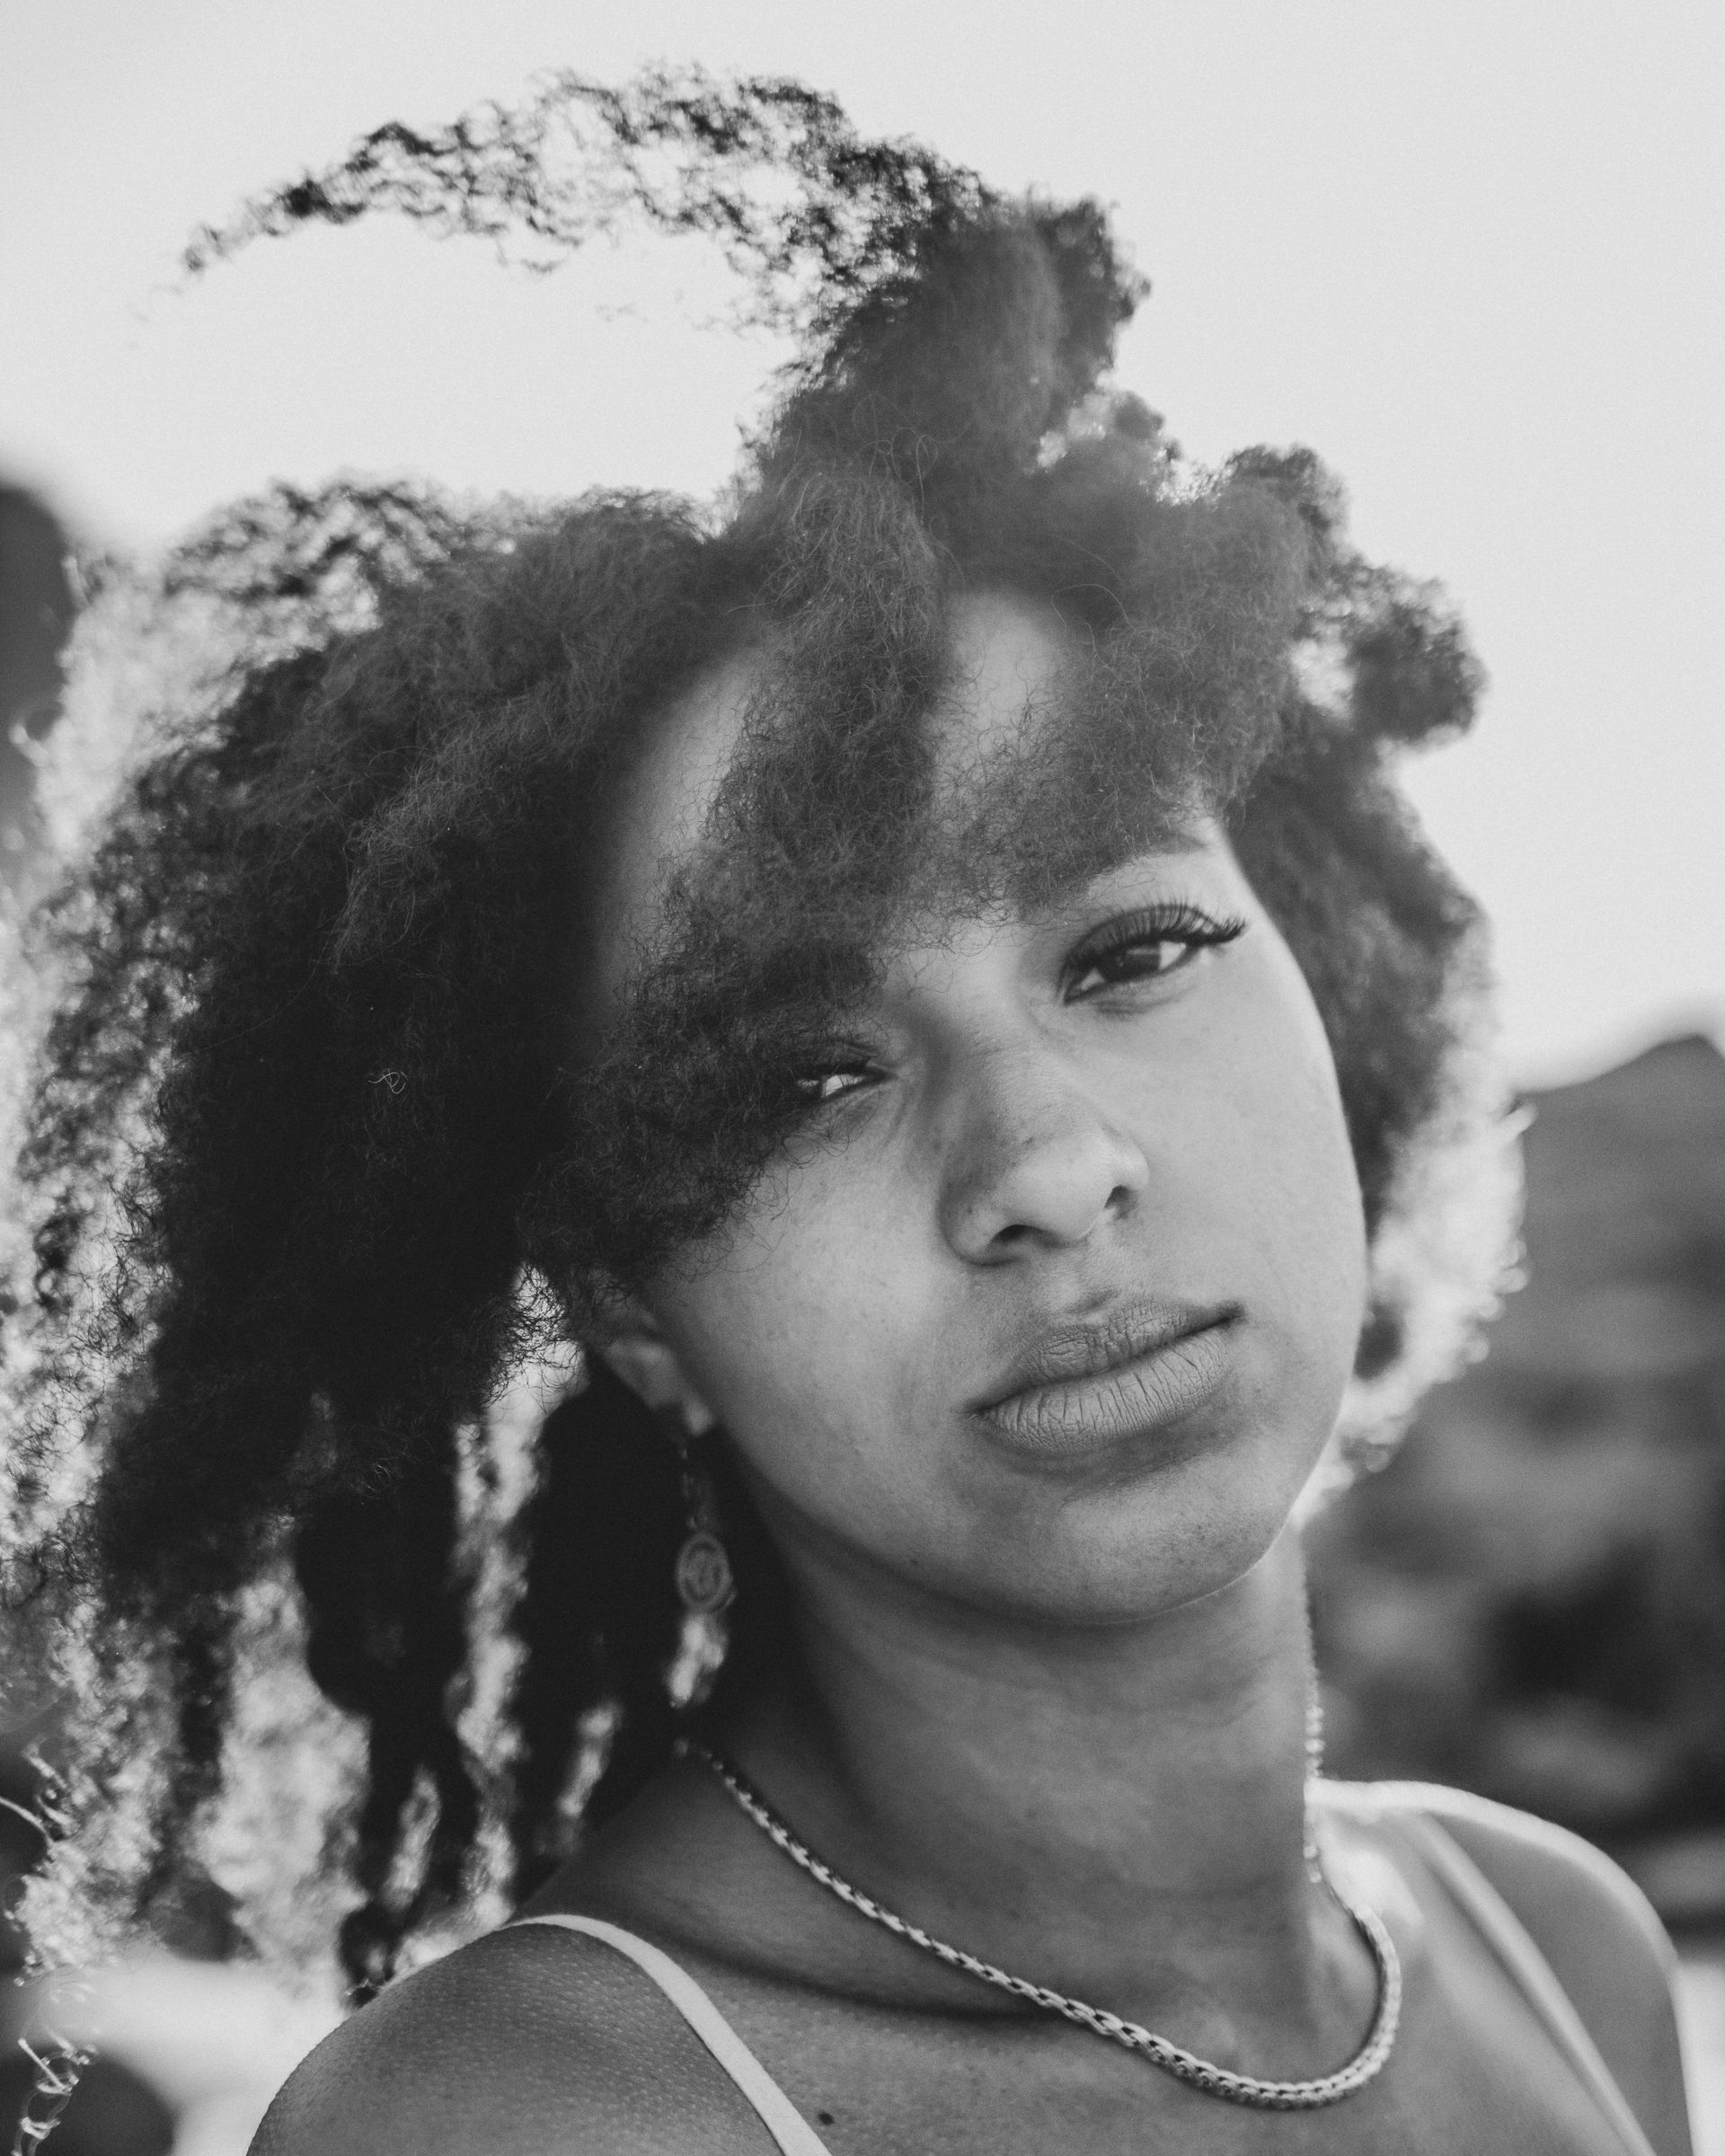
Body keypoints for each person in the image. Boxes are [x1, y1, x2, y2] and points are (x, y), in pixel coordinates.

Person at [3, 93, 1691, 2154]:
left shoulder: (1561, 1954)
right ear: (628, 1297)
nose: (1051, 1170)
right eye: (806, 1078)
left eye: (1134, 950)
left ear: (1322, 987)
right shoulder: (534, 2129)